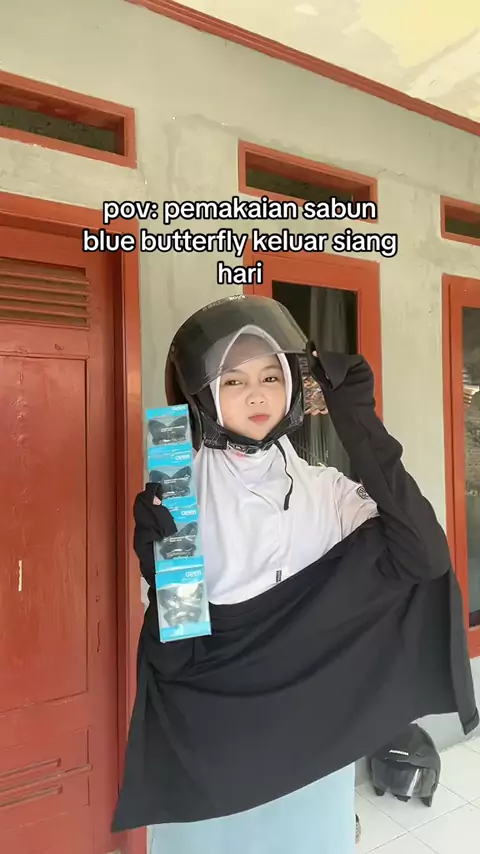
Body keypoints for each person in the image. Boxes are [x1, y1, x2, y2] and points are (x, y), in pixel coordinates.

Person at [112, 295, 478, 853]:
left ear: (290, 385)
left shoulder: (325, 490)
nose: (257, 394)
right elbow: (177, 659)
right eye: (233, 381)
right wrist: (164, 577)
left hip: (316, 741)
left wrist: (359, 422)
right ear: (203, 396)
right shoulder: (178, 492)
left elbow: (424, 557)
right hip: (219, 754)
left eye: (269, 376)